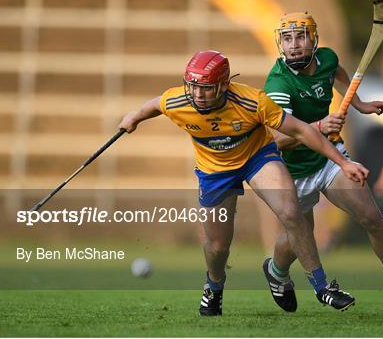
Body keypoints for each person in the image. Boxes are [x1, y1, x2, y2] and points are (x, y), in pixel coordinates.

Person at [119, 50, 369, 316]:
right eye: (192, 87)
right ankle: (214, 286)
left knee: (291, 211)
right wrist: (133, 117)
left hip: (257, 157)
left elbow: (301, 130)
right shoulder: (178, 101)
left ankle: (321, 286)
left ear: (223, 85)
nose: (197, 94)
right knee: (217, 247)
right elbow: (155, 104)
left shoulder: (252, 101)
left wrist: (343, 163)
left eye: (205, 88)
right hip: (214, 170)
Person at [261, 12, 383, 312]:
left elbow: (338, 74)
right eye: (287, 39)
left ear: (313, 39)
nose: (294, 45)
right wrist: (317, 127)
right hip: (292, 171)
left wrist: (361, 105)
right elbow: (278, 140)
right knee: (295, 240)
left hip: (328, 158)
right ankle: (276, 272)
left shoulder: (326, 58)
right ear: (281, 44)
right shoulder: (278, 83)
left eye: (300, 37)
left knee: (371, 216)